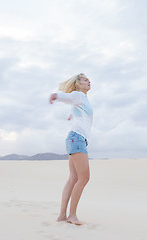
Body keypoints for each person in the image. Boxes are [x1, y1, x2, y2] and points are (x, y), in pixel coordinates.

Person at [49, 73, 93, 225]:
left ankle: (62, 215)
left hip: (75, 138)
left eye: (89, 79)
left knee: (74, 178)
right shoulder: (79, 95)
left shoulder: (82, 100)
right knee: (84, 178)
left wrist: (70, 116)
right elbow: (68, 97)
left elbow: (76, 110)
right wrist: (56, 96)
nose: (88, 81)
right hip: (77, 138)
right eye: (85, 80)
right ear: (78, 83)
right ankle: (72, 215)